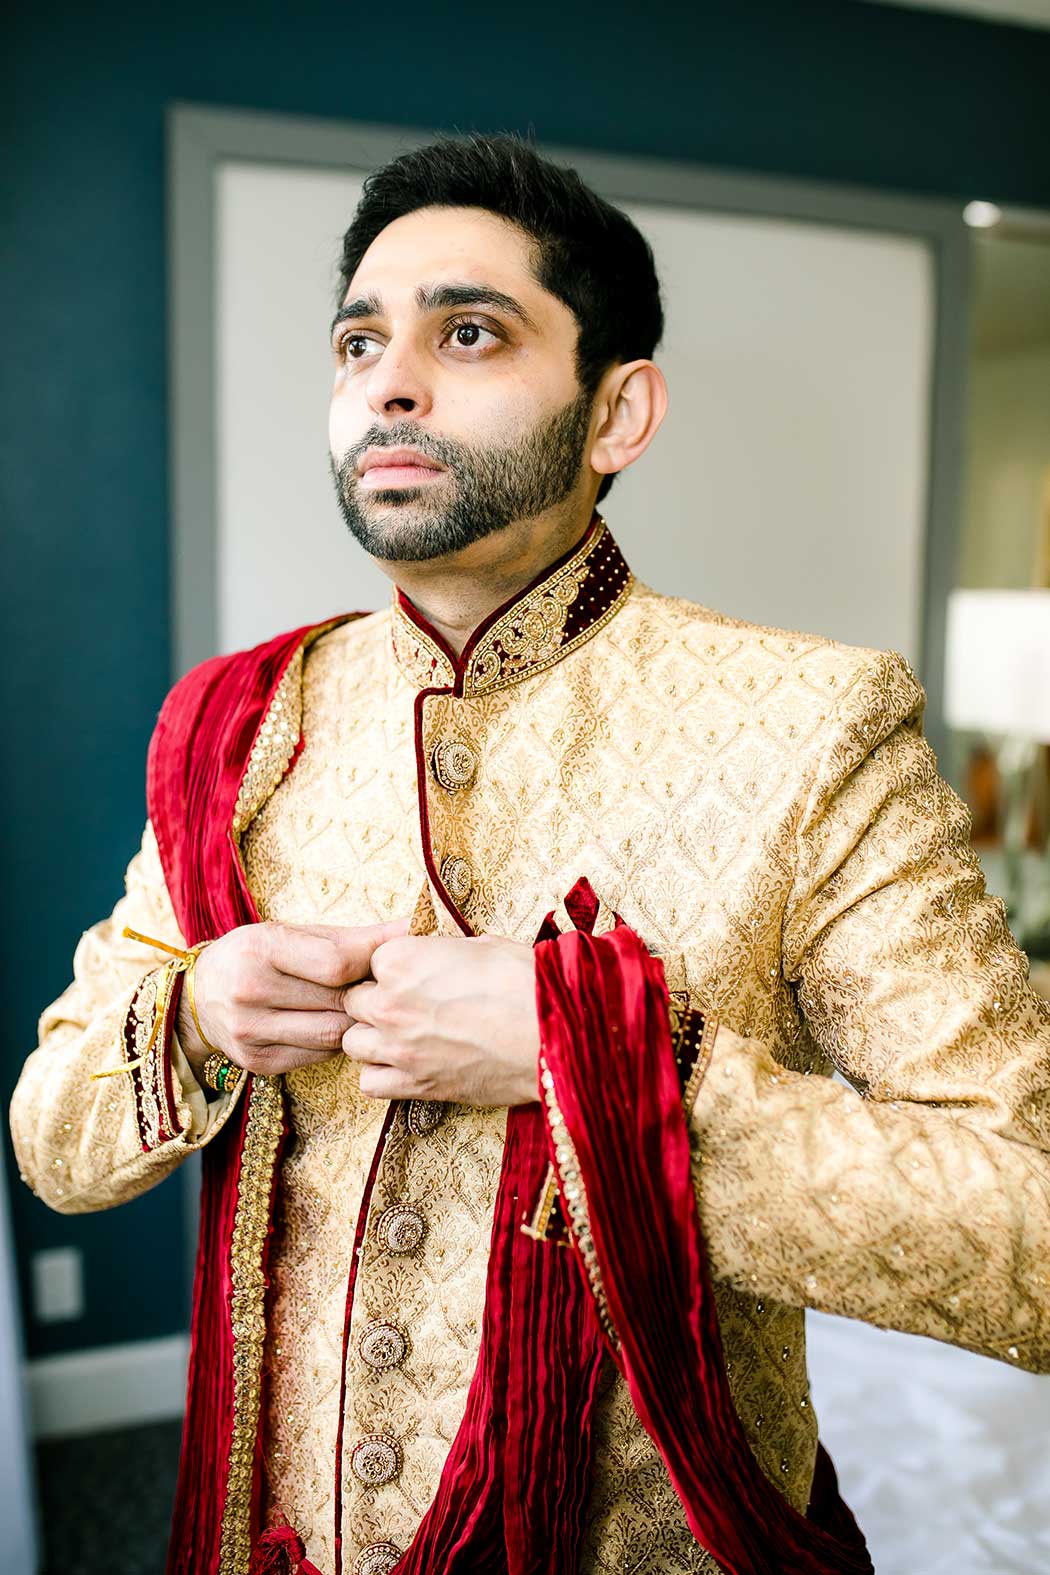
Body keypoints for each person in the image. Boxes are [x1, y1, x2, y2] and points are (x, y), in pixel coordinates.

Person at [11, 134, 1050, 1575]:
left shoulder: (813, 727)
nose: (390, 378)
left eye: (471, 331)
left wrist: (600, 1064)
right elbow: (51, 1137)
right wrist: (192, 1015)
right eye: (360, 339)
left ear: (617, 411)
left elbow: (1027, 1233)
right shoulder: (232, 731)